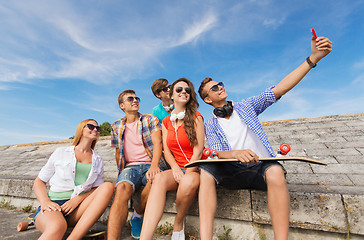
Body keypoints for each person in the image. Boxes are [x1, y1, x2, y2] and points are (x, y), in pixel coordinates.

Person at [197, 35, 332, 240]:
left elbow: (280, 88)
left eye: (220, 84)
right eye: (214, 88)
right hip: (232, 170)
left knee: (276, 171)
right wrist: (235, 153)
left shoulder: (247, 106)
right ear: (207, 99)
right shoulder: (211, 123)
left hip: (261, 166)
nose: (220, 87)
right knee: (205, 171)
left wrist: (312, 59)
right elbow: (216, 151)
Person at [141, 78, 205, 240]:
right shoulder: (166, 122)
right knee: (159, 178)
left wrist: (188, 171)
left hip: (196, 168)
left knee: (188, 181)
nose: (184, 92)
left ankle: (178, 222)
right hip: (177, 168)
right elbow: (167, 150)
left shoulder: (197, 117)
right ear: (172, 95)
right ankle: (145, 237)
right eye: (179, 90)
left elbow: (198, 150)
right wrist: (175, 168)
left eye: (187, 90)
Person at [33, 119, 114, 240]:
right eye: (91, 126)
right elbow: (39, 181)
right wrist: (45, 202)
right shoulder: (60, 152)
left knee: (108, 186)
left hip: (78, 209)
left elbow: (97, 189)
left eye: (98, 128)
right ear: (81, 129)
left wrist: (77, 199)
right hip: (55, 206)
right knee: (57, 227)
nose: (96, 129)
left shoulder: (98, 159)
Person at [107, 90, 164, 240]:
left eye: (136, 98)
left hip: (150, 164)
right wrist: (120, 175)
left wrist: (154, 165)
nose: (135, 100)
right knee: (122, 188)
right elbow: (118, 152)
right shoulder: (116, 126)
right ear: (122, 105)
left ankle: (137, 215)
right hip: (130, 167)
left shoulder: (150, 119)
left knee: (155, 180)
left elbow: (158, 143)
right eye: (130, 99)